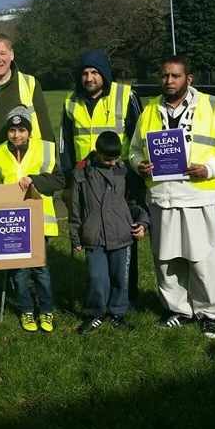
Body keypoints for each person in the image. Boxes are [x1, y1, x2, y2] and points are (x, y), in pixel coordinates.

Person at [129, 56, 215, 339]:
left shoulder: (212, 107)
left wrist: (209, 168)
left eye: (175, 76)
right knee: (166, 261)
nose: (169, 81)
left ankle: (211, 314)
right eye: (164, 75)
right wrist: (138, 164)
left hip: (198, 197)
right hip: (161, 198)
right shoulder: (149, 110)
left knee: (205, 261)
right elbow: (132, 151)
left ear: (188, 79)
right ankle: (177, 310)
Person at [59, 49, 144, 300]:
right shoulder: (70, 101)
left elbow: (140, 133)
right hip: (87, 180)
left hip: (122, 177)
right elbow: (65, 145)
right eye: (84, 73)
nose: (89, 78)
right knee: (92, 235)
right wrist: (68, 180)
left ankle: (128, 293)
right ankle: (99, 292)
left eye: (95, 72)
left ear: (104, 74)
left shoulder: (126, 95)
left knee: (125, 234)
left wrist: (138, 173)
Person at [0, 105, 65, 332]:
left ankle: (47, 311)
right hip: (11, 223)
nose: (17, 135)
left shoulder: (45, 150)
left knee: (41, 269)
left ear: (29, 131)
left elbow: (59, 181)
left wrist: (34, 179)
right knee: (19, 271)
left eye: (22, 130)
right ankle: (26, 311)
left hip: (39, 220)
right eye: (12, 130)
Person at [69, 131, 149, 335]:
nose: (113, 162)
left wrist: (142, 221)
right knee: (97, 277)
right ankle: (96, 313)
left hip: (121, 233)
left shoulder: (123, 170)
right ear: (97, 152)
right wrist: (75, 236)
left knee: (120, 277)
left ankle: (117, 312)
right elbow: (75, 207)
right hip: (93, 235)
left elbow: (134, 200)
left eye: (116, 158)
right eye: (108, 159)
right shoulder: (81, 173)